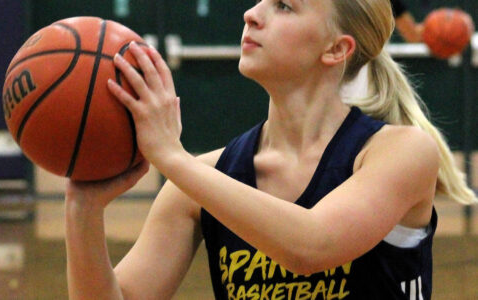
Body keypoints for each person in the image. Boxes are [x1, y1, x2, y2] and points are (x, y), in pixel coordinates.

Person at [66, 0, 476, 299]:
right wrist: (82, 210)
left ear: (336, 49)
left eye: (283, 6)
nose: (251, 13)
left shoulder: (401, 151)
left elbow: (313, 246)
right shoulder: (204, 179)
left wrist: (172, 158)